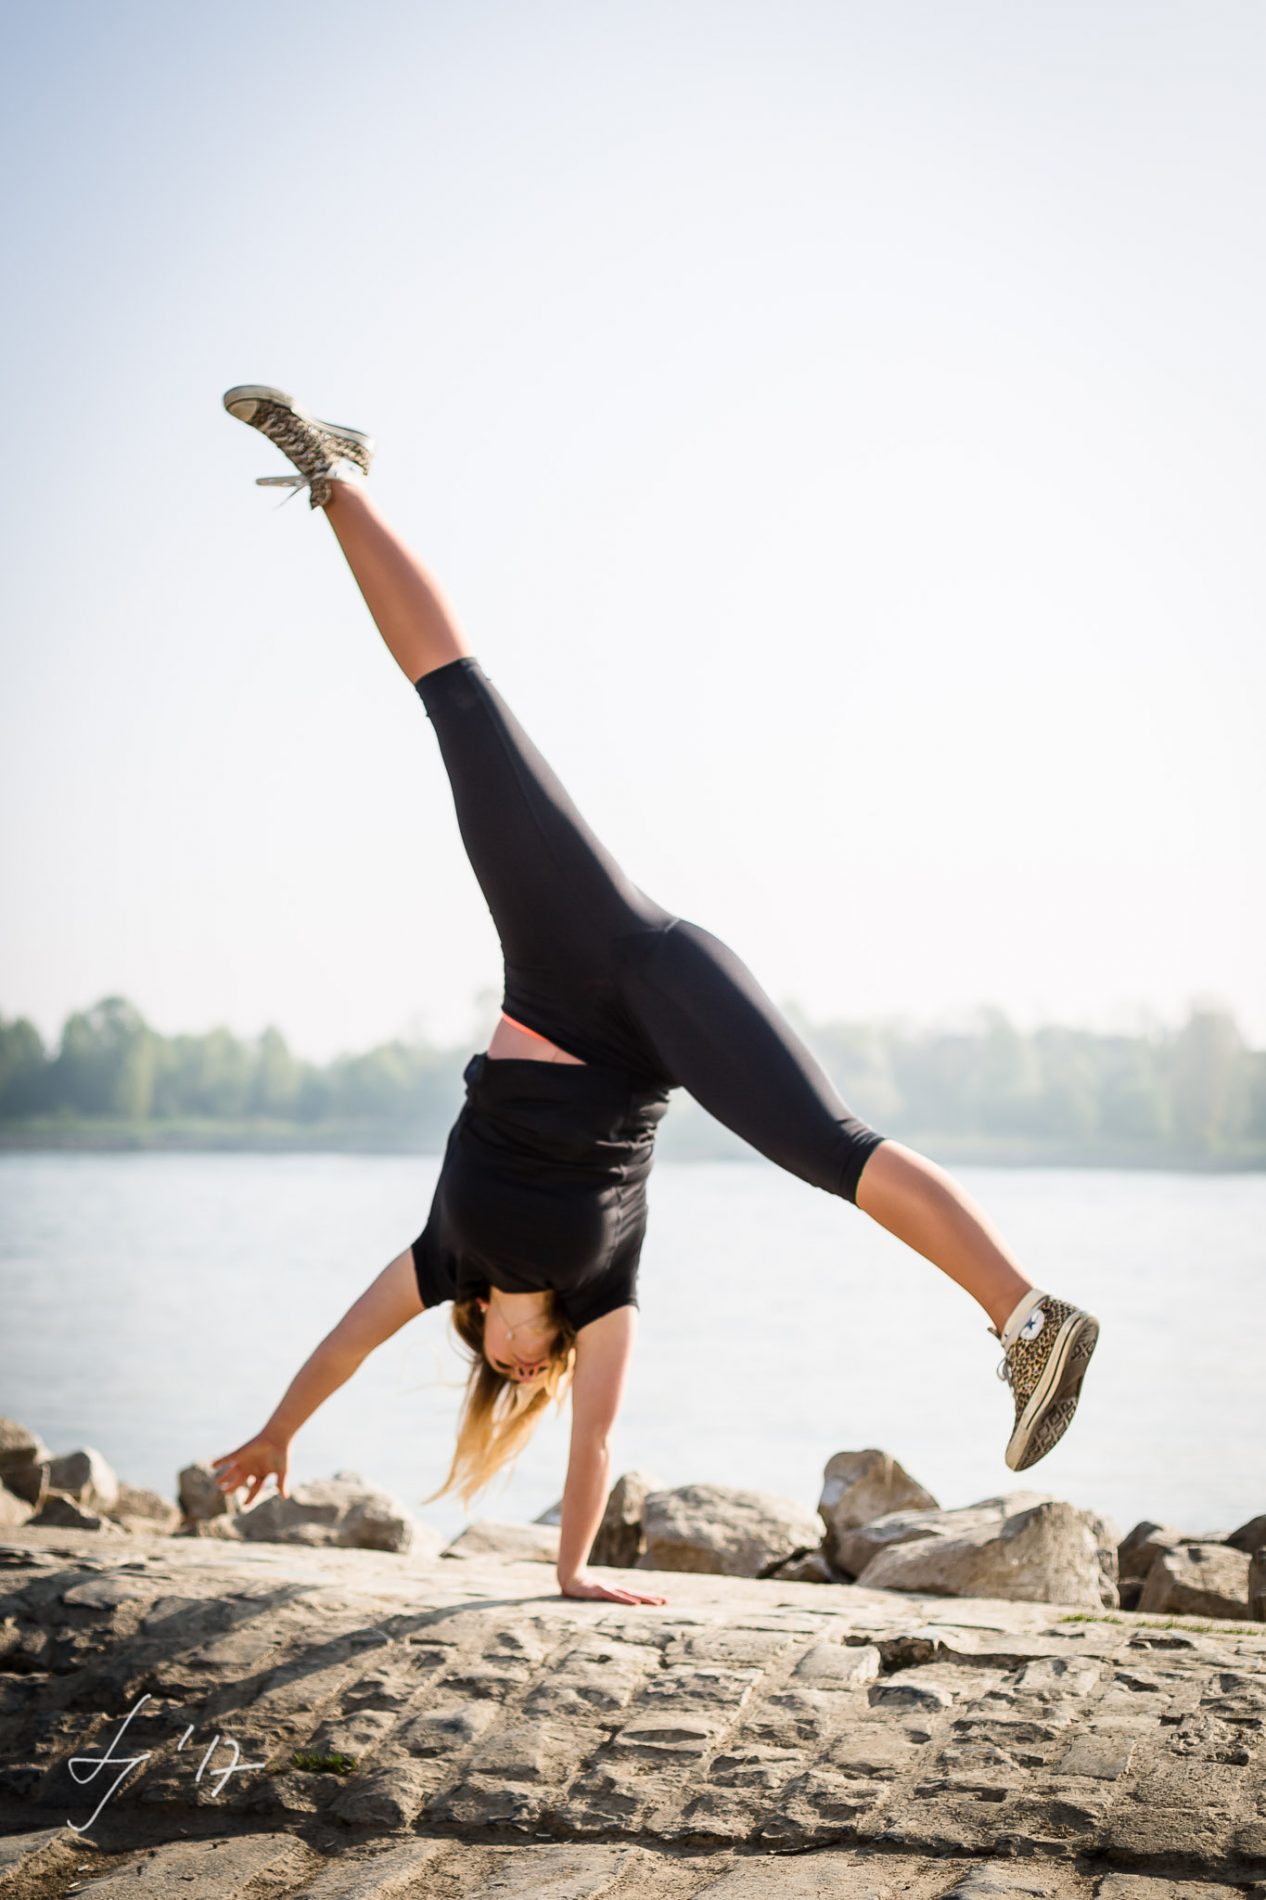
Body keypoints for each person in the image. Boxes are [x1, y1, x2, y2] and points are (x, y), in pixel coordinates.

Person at [211, 385, 1100, 1607]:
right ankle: (1029, 1321)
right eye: (540, 1383)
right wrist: (575, 1570)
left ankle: (334, 478)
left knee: (459, 707)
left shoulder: (442, 1258)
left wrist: (275, 1433)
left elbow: (343, 1346)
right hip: (664, 1021)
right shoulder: (602, 1294)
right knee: (833, 1153)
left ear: (482, 1341)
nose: (532, 1380)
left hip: (588, 953)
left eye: (509, 1380)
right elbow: (599, 1446)